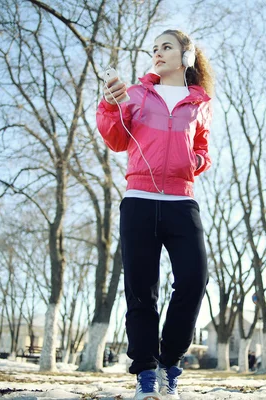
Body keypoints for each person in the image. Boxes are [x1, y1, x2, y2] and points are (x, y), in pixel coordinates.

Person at [97, 29, 214, 400]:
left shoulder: (201, 101)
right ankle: (146, 375)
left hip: (182, 201)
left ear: (186, 54)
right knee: (141, 291)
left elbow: (203, 148)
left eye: (166, 47)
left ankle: (170, 363)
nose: (158, 54)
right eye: (154, 49)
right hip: (140, 200)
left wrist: (194, 161)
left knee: (194, 280)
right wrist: (109, 104)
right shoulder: (135, 94)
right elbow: (116, 139)